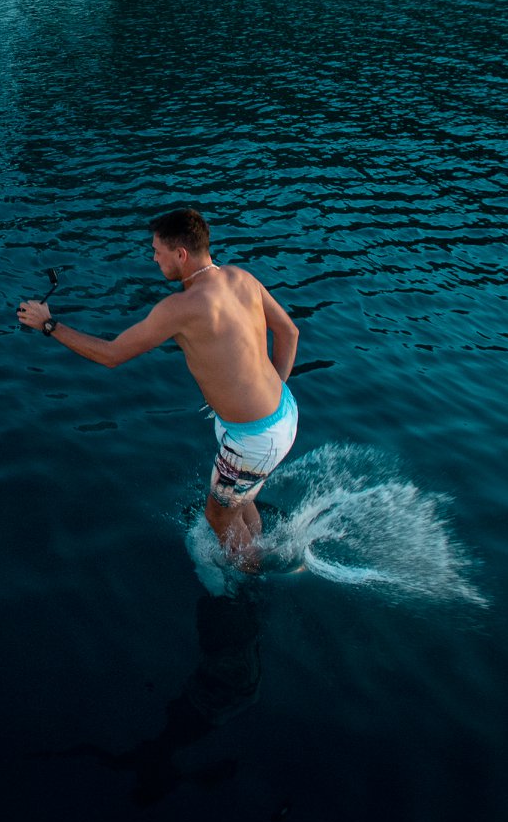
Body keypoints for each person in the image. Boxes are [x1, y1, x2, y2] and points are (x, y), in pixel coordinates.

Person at [18, 208, 299, 562]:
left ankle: (251, 579)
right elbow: (289, 332)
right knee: (238, 500)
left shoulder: (181, 307)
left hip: (254, 439)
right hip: (282, 412)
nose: (153, 258)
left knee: (218, 517)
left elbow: (111, 355)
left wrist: (49, 326)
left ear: (180, 254)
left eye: (157, 251)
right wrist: (269, 392)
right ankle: (255, 542)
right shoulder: (240, 277)